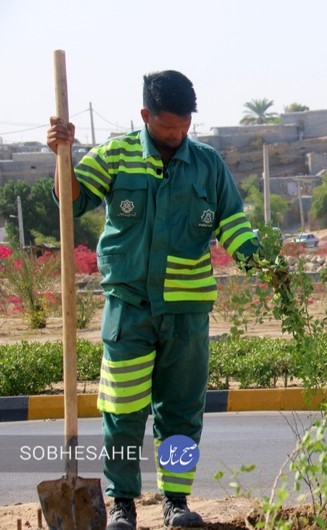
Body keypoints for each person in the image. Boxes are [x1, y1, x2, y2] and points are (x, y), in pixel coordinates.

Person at [48, 70, 273, 529]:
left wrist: (263, 264)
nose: (178, 133)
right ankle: (122, 504)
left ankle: (175, 501)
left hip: (187, 314)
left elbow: (232, 223)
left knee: (180, 412)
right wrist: (62, 156)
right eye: (169, 125)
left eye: (185, 124)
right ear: (146, 115)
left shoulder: (207, 164)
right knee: (123, 411)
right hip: (129, 310)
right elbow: (71, 202)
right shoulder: (116, 156)